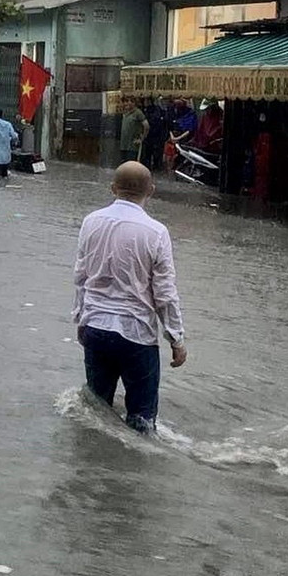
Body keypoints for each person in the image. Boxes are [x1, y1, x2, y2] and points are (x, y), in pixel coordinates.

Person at [72, 162, 188, 434]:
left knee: (95, 412)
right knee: (142, 422)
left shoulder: (91, 222)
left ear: (113, 188)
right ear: (152, 191)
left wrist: (80, 319)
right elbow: (165, 293)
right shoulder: (156, 232)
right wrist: (176, 339)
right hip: (136, 335)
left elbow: (80, 277)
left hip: (96, 327)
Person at [164, 99, 198, 175]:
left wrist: (178, 138)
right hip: (172, 138)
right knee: (169, 155)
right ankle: (170, 170)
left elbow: (190, 129)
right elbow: (169, 125)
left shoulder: (190, 113)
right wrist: (172, 137)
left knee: (180, 156)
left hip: (185, 139)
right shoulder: (172, 111)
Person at [120, 96, 150, 163]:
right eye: (127, 101)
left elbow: (146, 126)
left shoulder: (138, 113)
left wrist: (142, 138)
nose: (129, 103)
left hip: (132, 146)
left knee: (131, 166)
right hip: (124, 145)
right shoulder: (125, 113)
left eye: (132, 101)